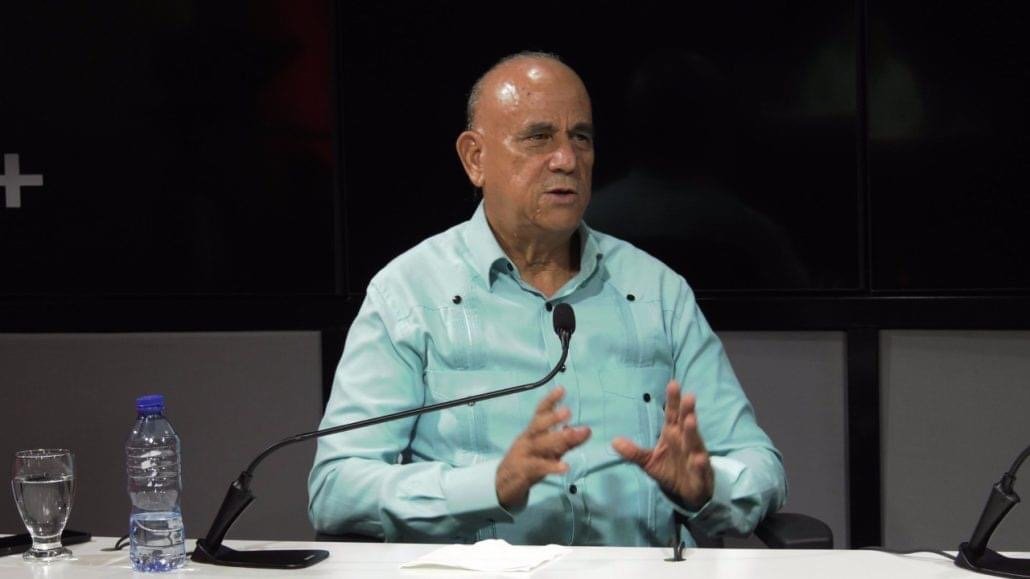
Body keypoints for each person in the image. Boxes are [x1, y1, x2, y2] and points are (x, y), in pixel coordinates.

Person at [308, 51, 786, 546]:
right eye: (539, 137)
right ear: (475, 159)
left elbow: (760, 464)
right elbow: (336, 487)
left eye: (581, 137)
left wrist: (706, 488)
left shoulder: (657, 293)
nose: (567, 159)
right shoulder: (409, 294)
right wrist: (490, 486)